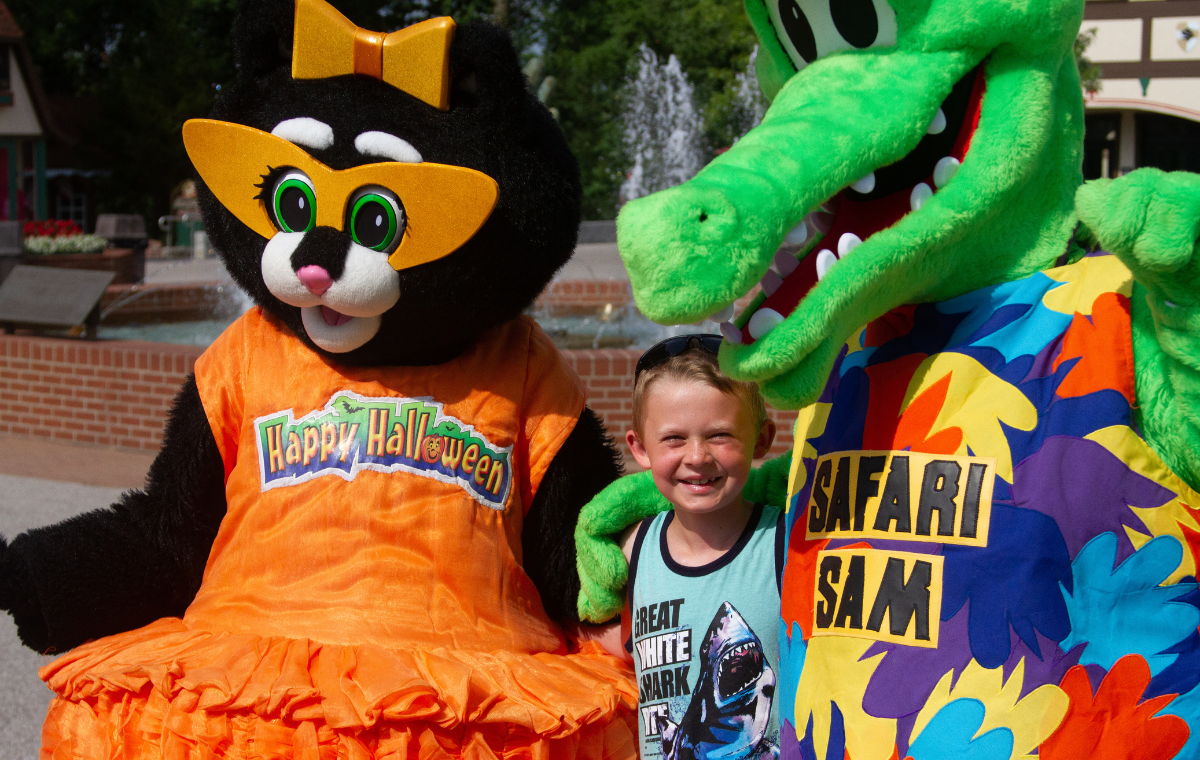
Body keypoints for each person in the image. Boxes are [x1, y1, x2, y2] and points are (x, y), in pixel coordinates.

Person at [608, 334, 784, 760]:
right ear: (640, 448)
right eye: (674, 439)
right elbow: (614, 650)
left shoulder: (785, 543)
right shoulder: (635, 550)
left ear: (761, 440)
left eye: (720, 435)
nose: (697, 456)